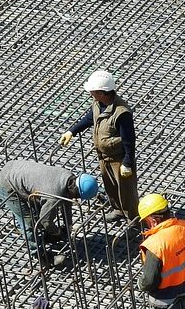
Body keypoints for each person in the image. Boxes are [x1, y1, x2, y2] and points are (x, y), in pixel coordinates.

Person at [59, 70, 138, 223]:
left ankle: (133, 220)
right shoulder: (98, 103)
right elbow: (90, 118)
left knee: (126, 191)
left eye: (93, 91)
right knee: (110, 187)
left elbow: (129, 139)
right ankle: (118, 211)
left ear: (103, 92)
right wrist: (72, 131)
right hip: (104, 156)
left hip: (119, 159)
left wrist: (127, 162)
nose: (91, 94)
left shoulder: (121, 112)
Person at [0, 160, 98, 267]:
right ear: (76, 191)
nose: (77, 199)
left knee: (40, 211)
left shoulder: (68, 177)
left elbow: (66, 201)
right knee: (30, 222)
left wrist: (68, 225)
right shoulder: (54, 196)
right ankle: (40, 256)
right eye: (78, 197)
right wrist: (56, 232)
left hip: (16, 168)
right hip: (7, 185)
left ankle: (45, 237)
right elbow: (45, 220)